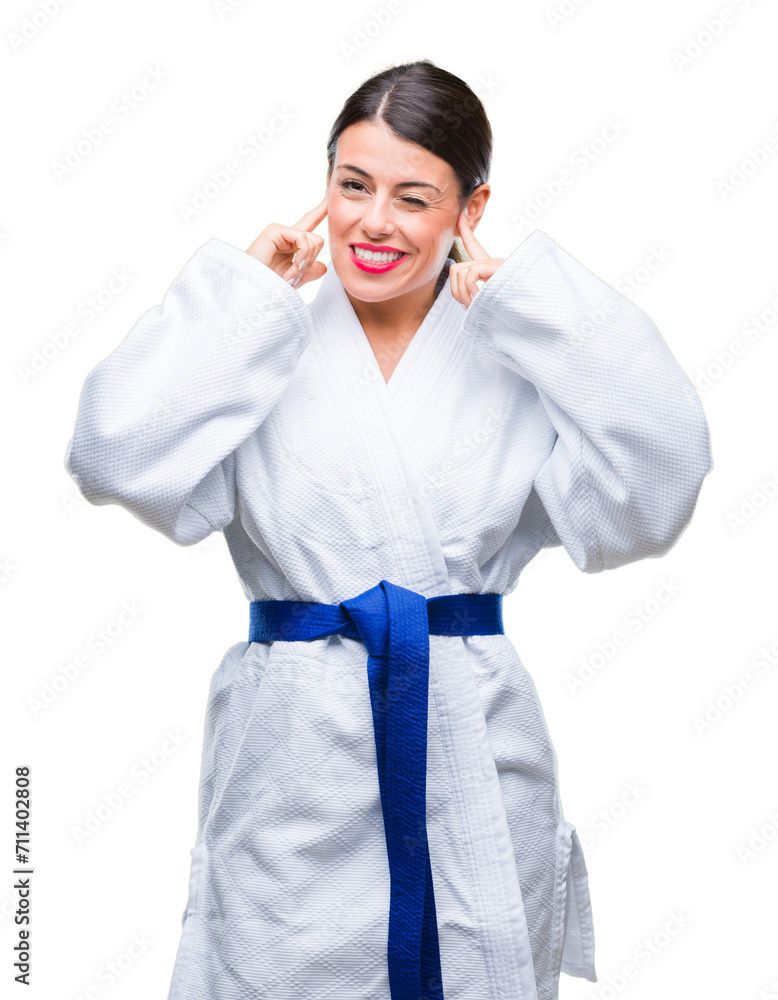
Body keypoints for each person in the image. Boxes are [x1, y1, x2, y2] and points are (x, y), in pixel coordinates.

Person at [63, 59, 713, 1000]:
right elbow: (110, 453)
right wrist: (245, 297)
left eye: (414, 197)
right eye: (352, 185)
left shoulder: (514, 352)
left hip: (476, 743)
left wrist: (539, 310)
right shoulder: (262, 344)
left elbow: (660, 484)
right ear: (323, 183)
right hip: (294, 760)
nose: (373, 222)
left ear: (470, 210)